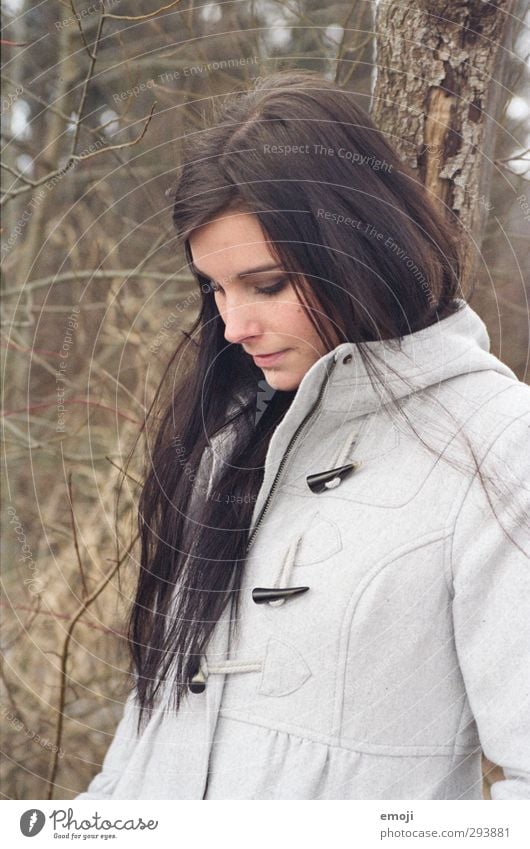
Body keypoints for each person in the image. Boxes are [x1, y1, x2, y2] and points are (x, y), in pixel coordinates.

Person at [76, 70, 530, 800]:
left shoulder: (500, 443)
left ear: (356, 251)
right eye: (215, 288)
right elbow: (143, 739)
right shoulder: (230, 437)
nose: (232, 325)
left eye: (268, 284)